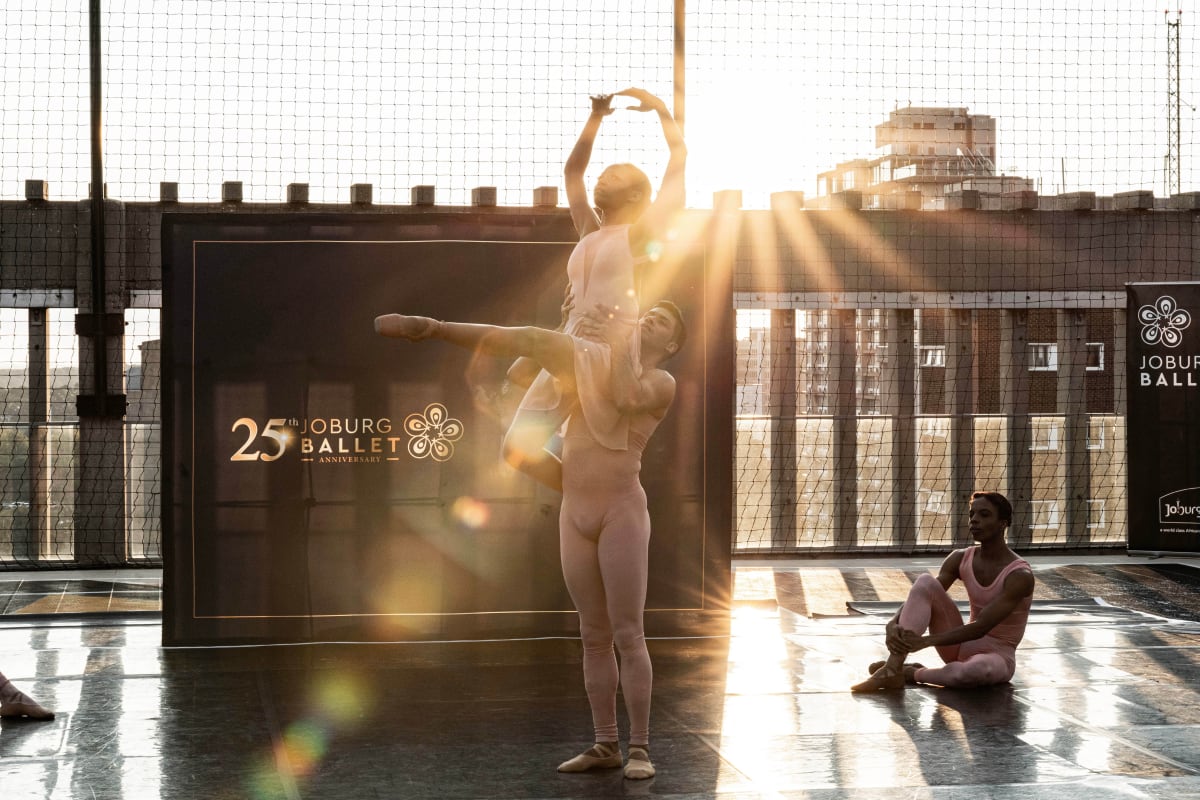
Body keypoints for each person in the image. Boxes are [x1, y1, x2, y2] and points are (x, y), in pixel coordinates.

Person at [375, 299, 686, 780]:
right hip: (576, 511)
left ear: (671, 345)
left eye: (662, 322)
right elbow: (523, 370)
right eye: (649, 312)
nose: (650, 319)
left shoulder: (658, 382)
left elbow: (623, 397)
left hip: (622, 511)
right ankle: (606, 743)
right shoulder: (593, 362)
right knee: (592, 635)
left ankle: (640, 748)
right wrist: (569, 329)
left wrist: (604, 341)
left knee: (628, 632)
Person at [500, 87, 686, 493]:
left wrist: (660, 110)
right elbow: (572, 174)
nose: (602, 181)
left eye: (613, 177)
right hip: (572, 343)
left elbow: (678, 163)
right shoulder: (590, 231)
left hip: (605, 353)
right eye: (603, 176)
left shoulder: (637, 236)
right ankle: (588, 491)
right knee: (514, 449)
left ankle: (598, 490)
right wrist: (596, 117)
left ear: (637, 195)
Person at [851, 491, 1035, 692]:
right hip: (959, 646)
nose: (974, 520)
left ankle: (912, 673)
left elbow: (981, 627)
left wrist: (925, 642)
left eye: (984, 515)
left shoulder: (1020, 575)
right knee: (925, 581)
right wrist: (893, 622)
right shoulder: (960, 558)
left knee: (972, 672)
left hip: (996, 658)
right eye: (972, 514)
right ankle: (892, 668)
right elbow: (923, 593)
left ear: (1003, 523)